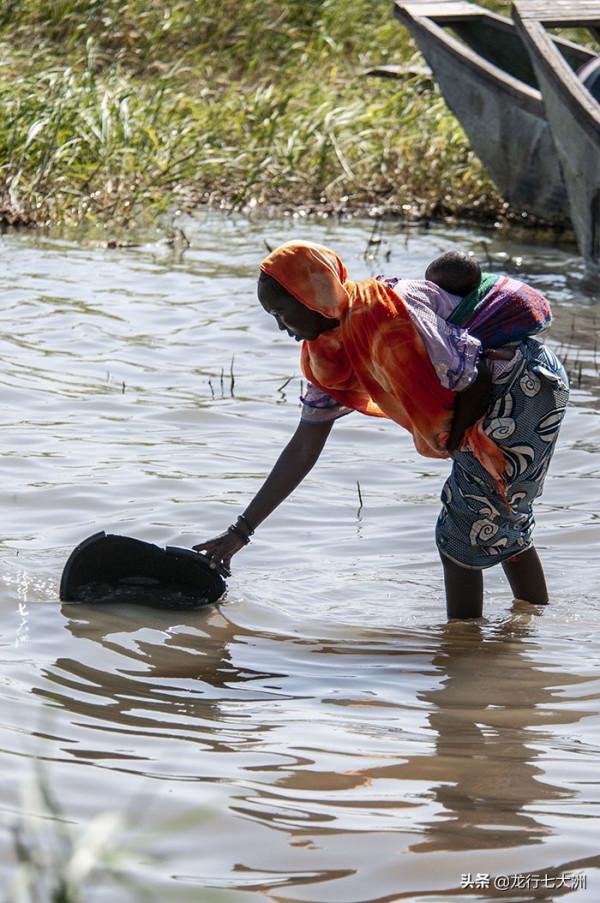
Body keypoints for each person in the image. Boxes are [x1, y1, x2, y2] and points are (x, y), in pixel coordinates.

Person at [194, 241, 569, 620]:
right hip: (511, 396)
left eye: (280, 311)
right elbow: (303, 448)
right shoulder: (326, 356)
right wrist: (241, 531)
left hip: (523, 387)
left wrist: (454, 441)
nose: (279, 326)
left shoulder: (384, 314)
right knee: (503, 515)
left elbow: (477, 375)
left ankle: (463, 651)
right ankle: (534, 629)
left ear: (309, 294)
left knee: (458, 534)